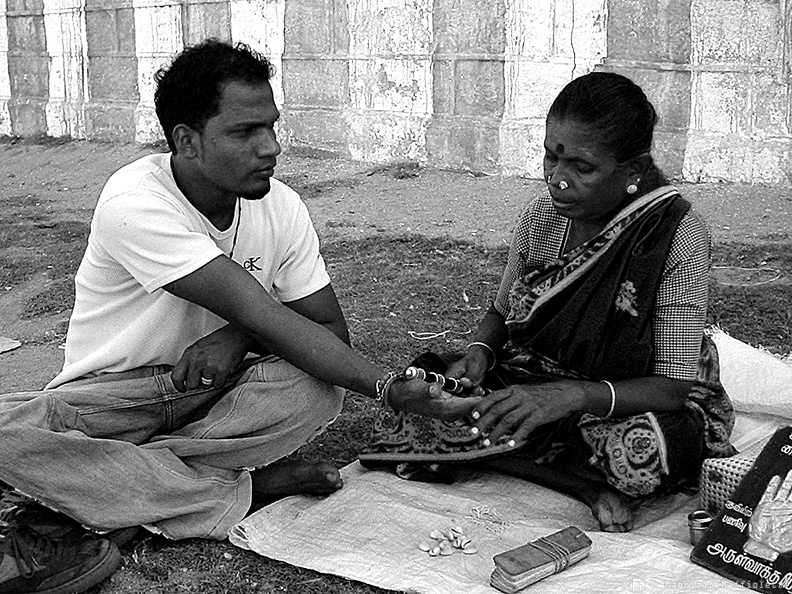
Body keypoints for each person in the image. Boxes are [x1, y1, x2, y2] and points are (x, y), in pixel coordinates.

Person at [0, 38, 469, 594]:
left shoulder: (282, 206)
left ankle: (106, 484)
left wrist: (237, 338)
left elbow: (326, 329)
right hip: (115, 395)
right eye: (246, 132)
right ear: (187, 141)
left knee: (316, 386)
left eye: (271, 126)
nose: (270, 147)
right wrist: (386, 386)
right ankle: (236, 490)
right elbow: (257, 307)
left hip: (219, 398)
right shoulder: (135, 201)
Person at [360, 71, 737, 533]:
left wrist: (572, 396)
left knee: (644, 452)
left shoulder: (675, 234)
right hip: (532, 373)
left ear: (633, 172)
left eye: (582, 167)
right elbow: (500, 313)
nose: (557, 181)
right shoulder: (541, 219)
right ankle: (579, 483)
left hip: (628, 393)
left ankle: (525, 454)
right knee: (426, 398)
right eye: (551, 157)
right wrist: (481, 353)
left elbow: (673, 387)